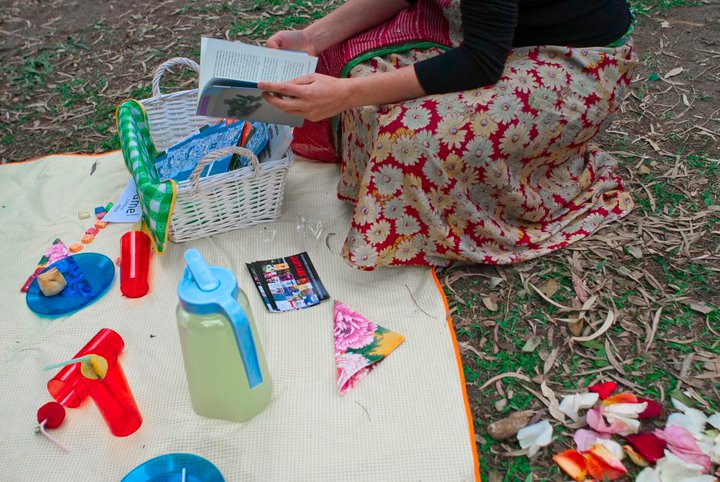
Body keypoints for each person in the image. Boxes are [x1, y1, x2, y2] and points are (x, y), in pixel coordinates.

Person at [258, 0, 637, 270]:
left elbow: (480, 62)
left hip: (573, 59)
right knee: (360, 73)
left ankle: (523, 184)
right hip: (492, 32)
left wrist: (344, 96)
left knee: (407, 138)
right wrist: (311, 37)